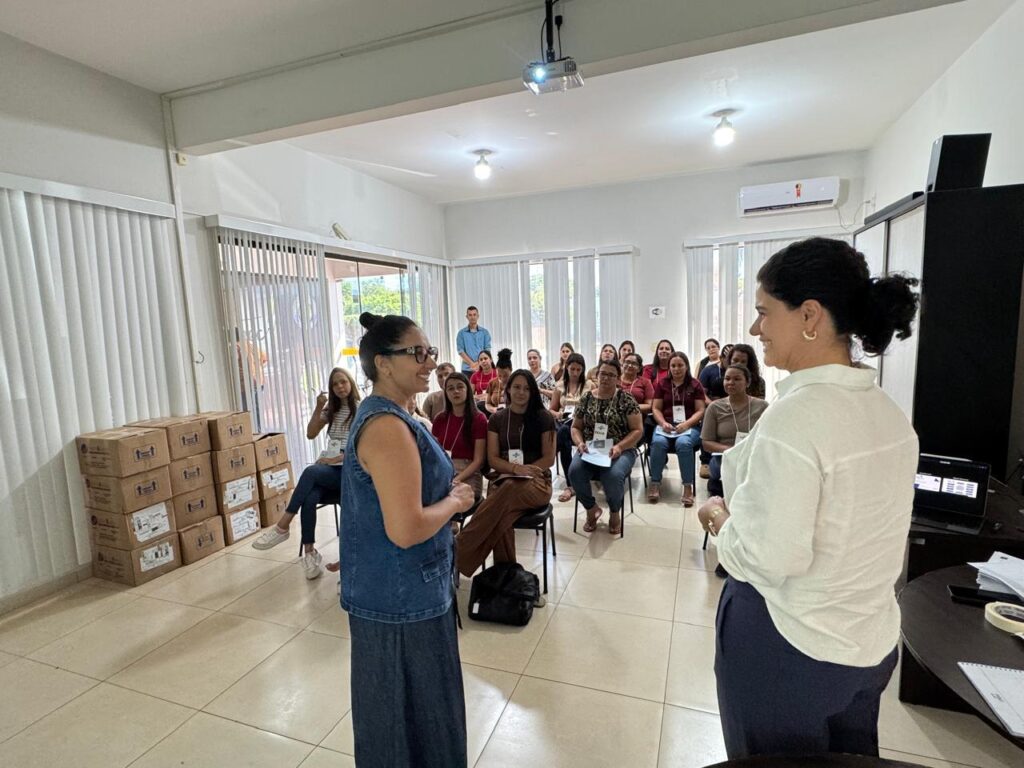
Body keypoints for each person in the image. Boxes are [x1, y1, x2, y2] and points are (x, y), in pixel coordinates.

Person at [697, 237, 919, 759]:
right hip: (866, 645)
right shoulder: (888, 415)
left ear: (810, 315)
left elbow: (769, 558)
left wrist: (718, 518)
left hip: (789, 650)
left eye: (763, 312)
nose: (755, 330)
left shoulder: (796, 420)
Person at [341, 312, 474, 767]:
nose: (428, 362)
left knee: (421, 716)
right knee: (403, 724)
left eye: (429, 352)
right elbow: (407, 528)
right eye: (416, 353)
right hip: (399, 599)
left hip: (410, 588)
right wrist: (456, 503)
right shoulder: (386, 427)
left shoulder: (398, 415)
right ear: (383, 363)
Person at [252, 367, 359, 579]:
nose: (340, 387)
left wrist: (333, 459)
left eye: (343, 382)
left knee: (310, 472)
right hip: (331, 471)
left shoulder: (361, 409)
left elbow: (363, 448)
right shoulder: (332, 410)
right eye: (335, 384)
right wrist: (319, 407)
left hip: (350, 472)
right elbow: (311, 433)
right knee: (309, 497)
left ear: (351, 383)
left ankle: (283, 526)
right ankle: (310, 553)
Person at [456, 370, 556, 581]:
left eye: (527, 388)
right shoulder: (498, 419)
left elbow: (548, 459)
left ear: (533, 392)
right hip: (503, 478)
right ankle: (508, 577)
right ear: (508, 389)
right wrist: (515, 470)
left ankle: (458, 548)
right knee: (503, 513)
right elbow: (492, 459)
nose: (521, 392)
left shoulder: (544, 417)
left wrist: (527, 471)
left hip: (537, 482)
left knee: (505, 491)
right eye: (517, 387)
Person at [568, 358, 643, 535]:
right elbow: (575, 427)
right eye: (603, 374)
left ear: (618, 378)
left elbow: (638, 430)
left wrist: (620, 446)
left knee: (613, 475)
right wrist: (579, 443)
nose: (606, 378)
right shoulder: (586, 398)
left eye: (611, 375)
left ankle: (615, 512)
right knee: (574, 471)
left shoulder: (626, 399)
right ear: (597, 375)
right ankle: (591, 508)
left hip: (621, 448)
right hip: (591, 448)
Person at [700, 364, 768, 499]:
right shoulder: (714, 407)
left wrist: (748, 451)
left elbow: (769, 437)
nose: (731, 382)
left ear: (747, 383)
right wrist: (732, 450)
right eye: (727, 379)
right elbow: (706, 442)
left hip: (752, 455)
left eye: (737, 379)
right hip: (724, 457)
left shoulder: (762, 406)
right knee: (728, 469)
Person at [648, 351, 706, 507]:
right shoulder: (662, 384)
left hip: (689, 426)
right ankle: (655, 482)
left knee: (684, 444)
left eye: (680, 365)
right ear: (669, 367)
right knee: (658, 443)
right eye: (673, 365)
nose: (676, 368)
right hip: (665, 426)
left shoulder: (695, 384)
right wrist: (662, 423)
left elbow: (700, 410)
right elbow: (656, 408)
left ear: (686, 366)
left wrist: (686, 424)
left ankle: (687, 486)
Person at [432, 372, 488, 501]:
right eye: (450, 388)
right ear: (445, 393)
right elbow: (434, 454)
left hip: (468, 472)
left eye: (460, 387)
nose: (455, 391)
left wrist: (456, 479)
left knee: (448, 501)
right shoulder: (440, 418)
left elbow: (479, 461)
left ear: (468, 390)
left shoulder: (478, 419)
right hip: (443, 470)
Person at [549, 352, 592, 501]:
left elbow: (593, 408)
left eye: (578, 370)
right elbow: (552, 409)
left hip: (582, 425)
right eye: (572, 369)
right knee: (563, 433)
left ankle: (569, 479)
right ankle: (571, 484)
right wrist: (558, 415)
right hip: (563, 422)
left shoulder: (589, 385)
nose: (575, 373)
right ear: (567, 368)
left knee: (562, 434)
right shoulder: (560, 385)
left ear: (582, 370)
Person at [620, 352, 656, 446]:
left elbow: (649, 406)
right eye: (627, 362)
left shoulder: (645, 382)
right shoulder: (615, 380)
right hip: (614, 420)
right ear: (622, 364)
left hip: (636, 423)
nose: (630, 365)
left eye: (634, 363)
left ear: (639, 368)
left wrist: (630, 408)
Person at [456, 305, 491, 374]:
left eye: (474, 315)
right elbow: (460, 351)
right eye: (470, 315)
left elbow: (487, 349)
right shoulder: (461, 333)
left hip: (483, 368)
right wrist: (472, 364)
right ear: (467, 317)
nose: (472, 317)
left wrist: (479, 363)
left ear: (478, 316)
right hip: (467, 369)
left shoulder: (485, 332)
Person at [485, 348, 514, 414]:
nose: (502, 379)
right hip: (497, 416)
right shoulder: (492, 383)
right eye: (499, 375)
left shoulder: (516, 383)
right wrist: (494, 409)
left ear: (511, 370)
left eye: (506, 376)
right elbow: (487, 404)